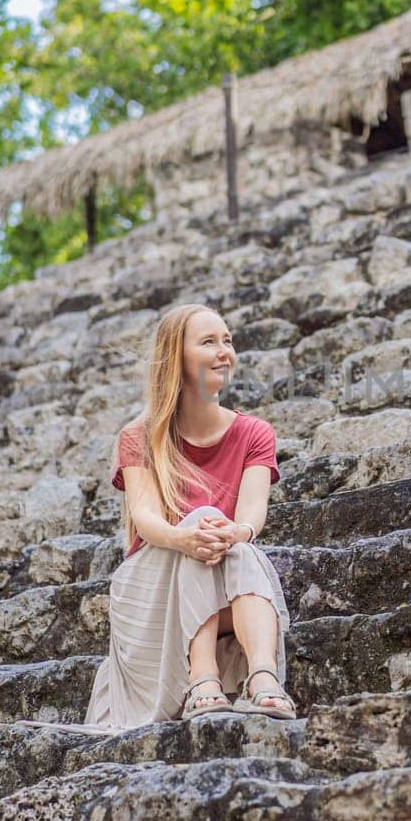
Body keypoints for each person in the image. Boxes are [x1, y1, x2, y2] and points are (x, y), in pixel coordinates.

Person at [83, 302, 295, 726]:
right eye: (209, 342)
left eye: (228, 341)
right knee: (203, 523)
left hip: (224, 574)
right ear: (175, 358)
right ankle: (201, 678)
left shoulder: (254, 432)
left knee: (237, 545)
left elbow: (252, 513)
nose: (225, 352)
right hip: (154, 590)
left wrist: (235, 532)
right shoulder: (139, 437)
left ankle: (264, 678)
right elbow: (145, 517)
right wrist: (187, 536)